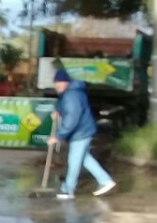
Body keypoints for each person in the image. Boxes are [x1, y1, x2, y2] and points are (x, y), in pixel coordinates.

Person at [49, 69, 116, 199]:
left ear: (66, 83)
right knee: (85, 159)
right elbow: (63, 103)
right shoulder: (69, 92)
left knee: (74, 161)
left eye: (59, 83)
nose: (57, 85)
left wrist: (57, 136)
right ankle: (105, 181)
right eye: (56, 83)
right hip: (84, 130)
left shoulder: (71, 95)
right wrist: (58, 110)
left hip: (80, 132)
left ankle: (68, 190)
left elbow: (72, 119)